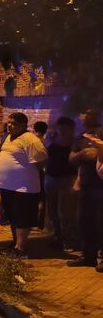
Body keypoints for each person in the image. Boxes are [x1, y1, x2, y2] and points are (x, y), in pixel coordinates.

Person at [0, 112, 48, 258]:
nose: (10, 126)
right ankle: (15, 243)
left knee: (22, 218)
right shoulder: (10, 137)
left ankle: (21, 248)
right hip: (8, 186)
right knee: (13, 216)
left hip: (24, 187)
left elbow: (41, 161)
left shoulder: (30, 139)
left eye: (14, 123)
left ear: (23, 125)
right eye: (9, 122)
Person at [67, 110, 103, 271]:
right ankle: (88, 256)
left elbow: (96, 154)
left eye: (88, 113)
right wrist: (83, 153)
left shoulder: (101, 132)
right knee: (84, 221)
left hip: (100, 184)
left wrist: (96, 152)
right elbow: (72, 159)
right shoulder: (80, 137)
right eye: (81, 113)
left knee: (100, 222)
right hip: (86, 185)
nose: (83, 116)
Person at [43, 117, 77, 249]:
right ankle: (57, 237)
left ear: (72, 129)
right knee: (52, 211)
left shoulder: (74, 143)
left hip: (68, 179)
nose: (63, 131)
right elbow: (45, 154)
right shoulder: (51, 141)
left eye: (66, 129)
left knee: (66, 212)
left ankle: (68, 240)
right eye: (61, 128)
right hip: (51, 177)